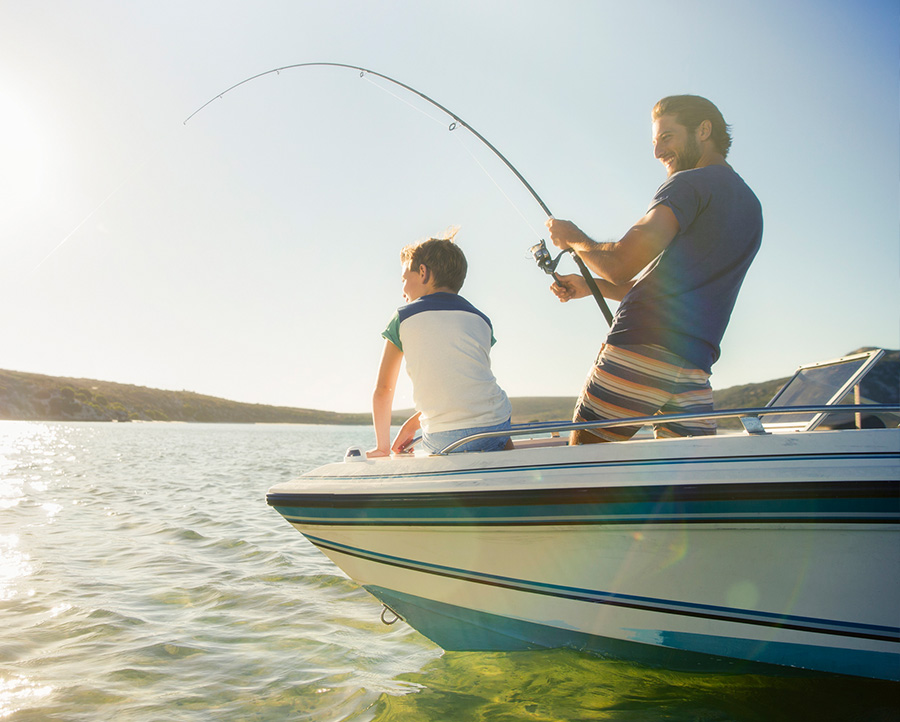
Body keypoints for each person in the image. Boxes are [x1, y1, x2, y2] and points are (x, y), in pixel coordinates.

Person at [546, 94, 763, 444]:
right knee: (683, 487)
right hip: (694, 368)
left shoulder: (688, 185)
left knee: (585, 472)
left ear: (704, 130)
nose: (658, 152)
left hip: (640, 349)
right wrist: (590, 286)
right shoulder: (751, 207)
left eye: (667, 137)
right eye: (655, 141)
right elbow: (678, 288)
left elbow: (619, 264)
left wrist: (572, 238)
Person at [366, 232, 512, 457]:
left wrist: (382, 447)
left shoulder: (403, 317)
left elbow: (383, 390)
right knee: (496, 423)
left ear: (423, 272)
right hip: (497, 427)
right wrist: (412, 424)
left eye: (404, 279)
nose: (403, 289)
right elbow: (465, 386)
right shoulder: (482, 320)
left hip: (444, 438)